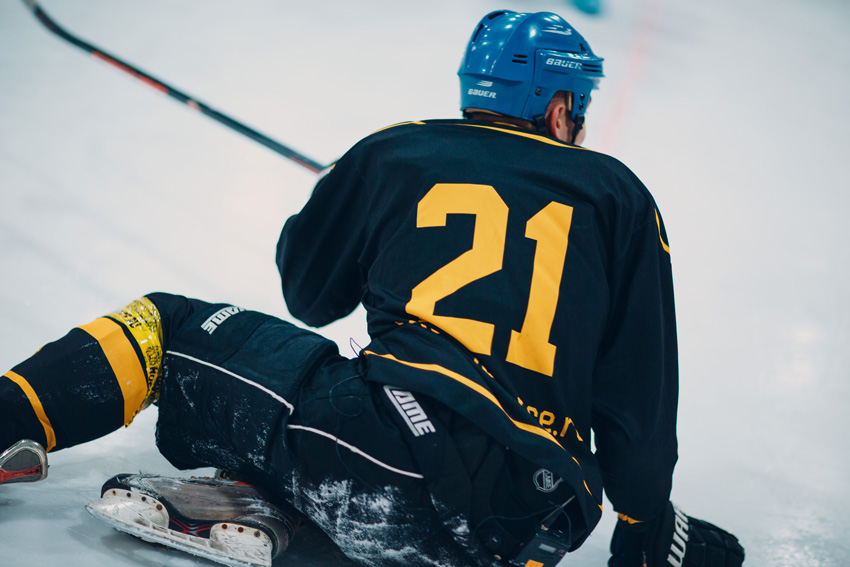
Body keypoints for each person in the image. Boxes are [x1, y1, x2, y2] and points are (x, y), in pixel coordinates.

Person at [0, 9, 744, 567]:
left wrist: (343, 197)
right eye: (577, 110)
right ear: (557, 108)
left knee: (163, 325)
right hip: (526, 523)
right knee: (377, 456)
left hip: (384, 444)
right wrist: (646, 530)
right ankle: (305, 521)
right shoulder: (620, 195)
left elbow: (309, 293)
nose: (578, 126)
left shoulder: (400, 151)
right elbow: (638, 397)